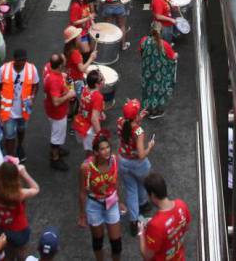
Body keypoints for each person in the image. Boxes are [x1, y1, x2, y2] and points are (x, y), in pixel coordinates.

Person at [78, 132, 125, 261]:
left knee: (117, 245)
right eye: (102, 149)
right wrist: (82, 215)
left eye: (108, 147)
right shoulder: (86, 167)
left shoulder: (115, 160)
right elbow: (82, 192)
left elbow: (116, 181)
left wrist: (119, 201)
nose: (106, 151)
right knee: (98, 242)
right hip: (94, 205)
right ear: (96, 152)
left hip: (112, 203)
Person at [0, 160, 39, 261]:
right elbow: (36, 188)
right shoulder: (19, 194)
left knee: (7, 253)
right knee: (21, 253)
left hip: (2, 228)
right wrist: (24, 173)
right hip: (19, 230)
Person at [117, 99, 155, 237]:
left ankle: (133, 222)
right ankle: (144, 204)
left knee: (131, 190)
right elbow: (141, 155)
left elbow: (129, 125)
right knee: (143, 182)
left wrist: (138, 118)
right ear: (135, 115)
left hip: (123, 161)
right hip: (137, 164)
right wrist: (149, 146)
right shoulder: (139, 131)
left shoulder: (120, 121)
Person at [0, 49, 39, 159]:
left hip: (24, 108)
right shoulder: (4, 69)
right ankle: (10, 157)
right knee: (9, 134)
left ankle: (19, 146)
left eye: (24, 60)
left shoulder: (31, 69)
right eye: (19, 60)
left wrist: (32, 98)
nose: (22, 63)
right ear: (14, 60)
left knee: (21, 129)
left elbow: (36, 85)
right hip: (8, 110)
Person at [139, 172, 191, 261]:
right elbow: (186, 228)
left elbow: (147, 255)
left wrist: (141, 232)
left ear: (152, 195)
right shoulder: (182, 204)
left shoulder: (155, 225)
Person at [43, 54, 76, 171]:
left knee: (57, 133)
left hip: (50, 109)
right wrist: (69, 94)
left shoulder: (48, 68)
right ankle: (55, 158)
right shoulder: (54, 81)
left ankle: (57, 150)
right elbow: (56, 102)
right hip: (57, 113)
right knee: (56, 137)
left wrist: (62, 76)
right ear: (60, 65)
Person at [140, 23, 178, 119]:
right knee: (159, 90)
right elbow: (173, 57)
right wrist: (176, 55)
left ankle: (147, 109)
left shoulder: (144, 40)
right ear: (161, 32)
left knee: (148, 88)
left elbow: (141, 52)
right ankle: (156, 111)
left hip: (147, 71)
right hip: (160, 73)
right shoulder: (164, 44)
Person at [72, 69, 105, 155]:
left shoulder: (86, 88)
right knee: (93, 153)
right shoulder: (97, 96)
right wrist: (100, 136)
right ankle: (89, 167)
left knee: (89, 150)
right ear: (97, 84)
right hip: (89, 128)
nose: (104, 80)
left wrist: (100, 112)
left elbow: (84, 105)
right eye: (102, 79)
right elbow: (94, 119)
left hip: (81, 122)